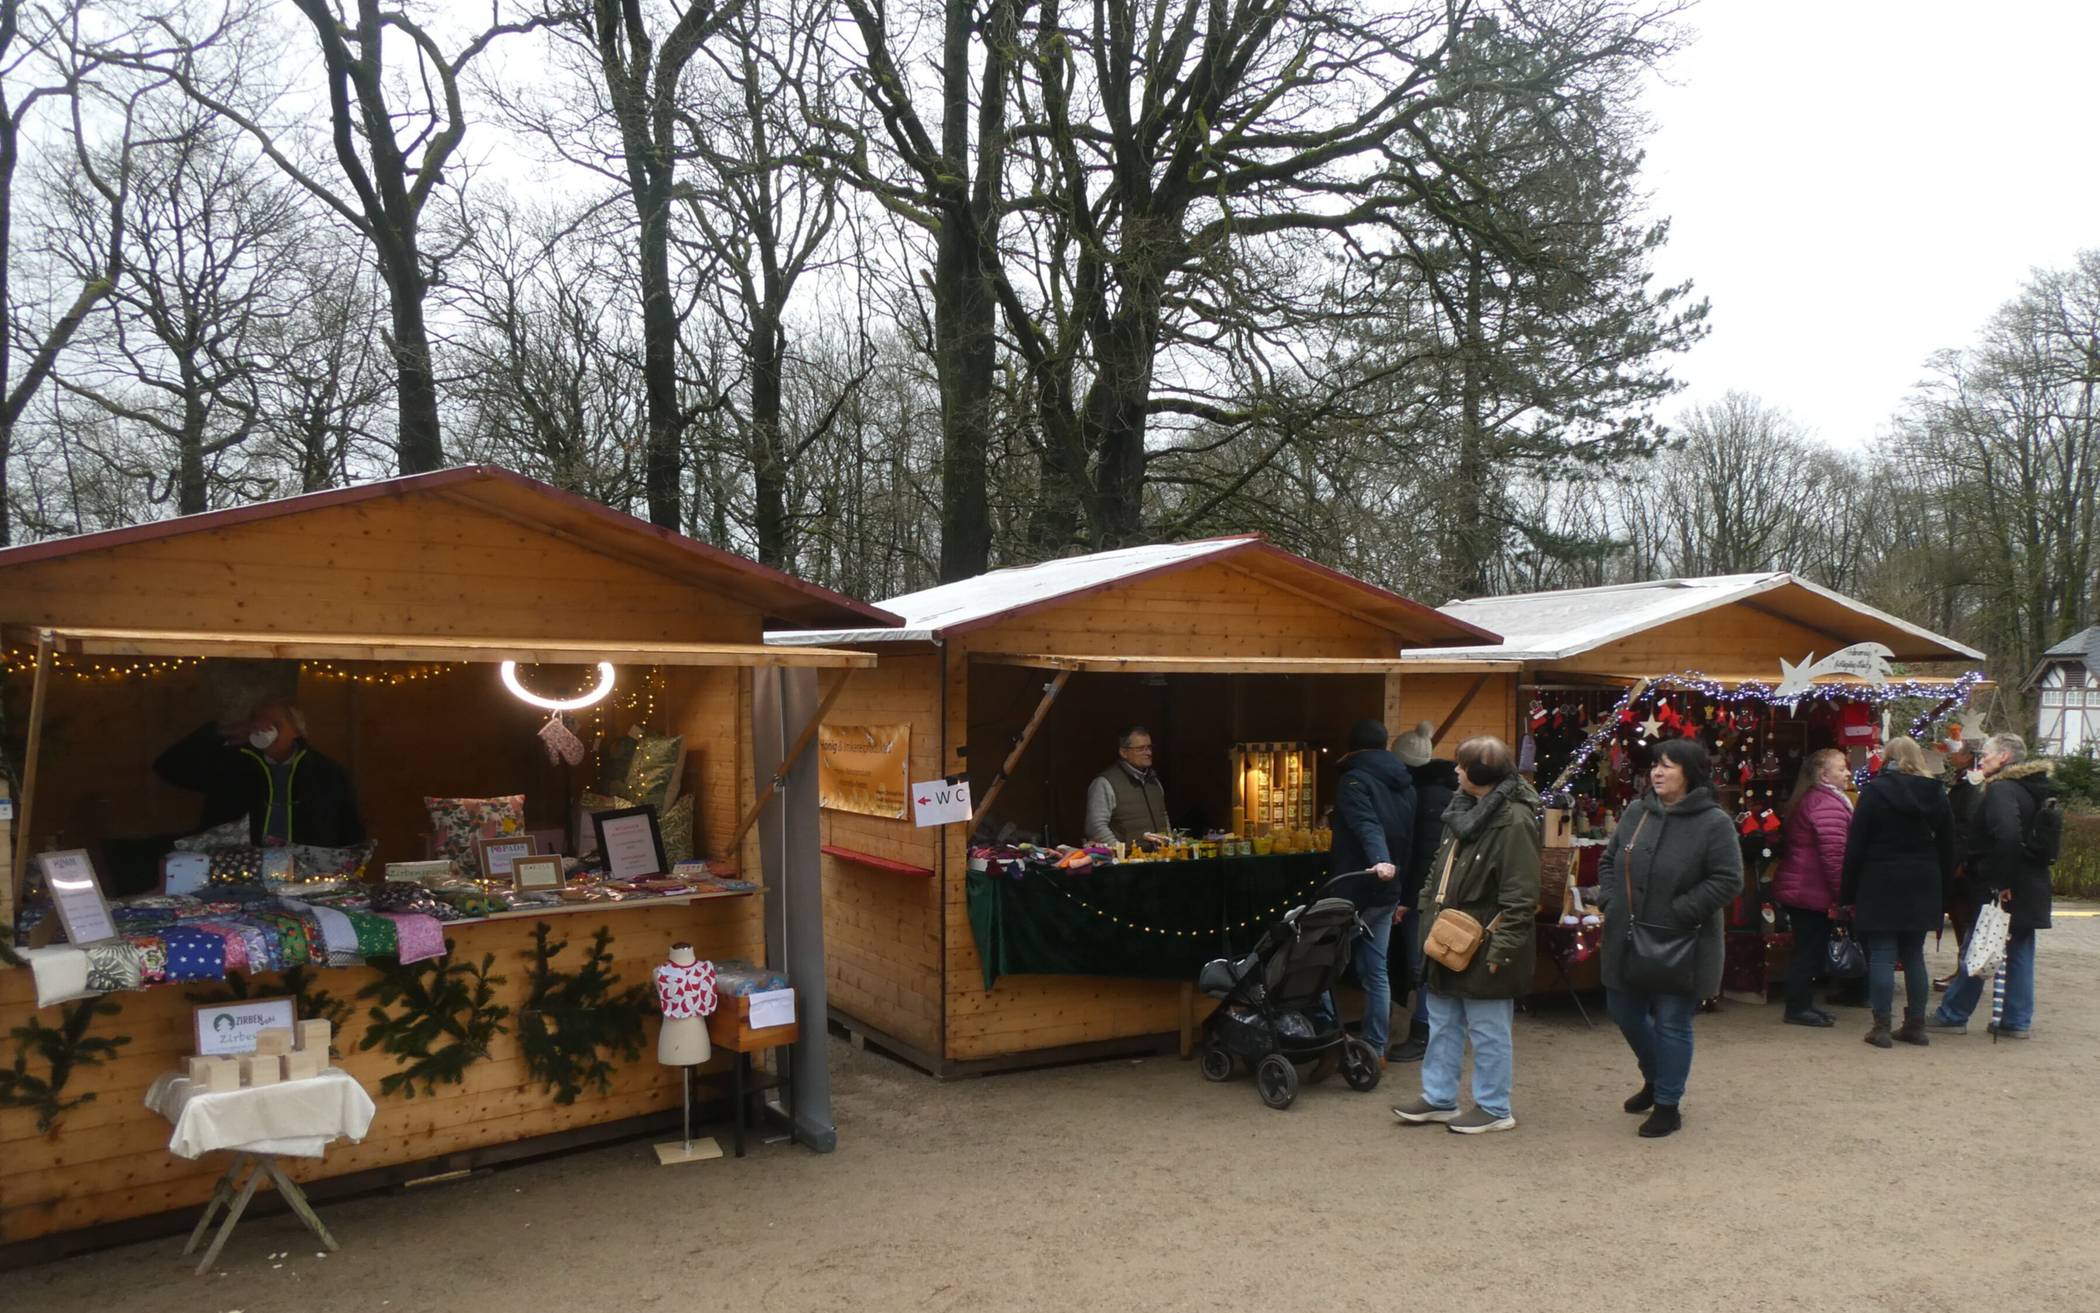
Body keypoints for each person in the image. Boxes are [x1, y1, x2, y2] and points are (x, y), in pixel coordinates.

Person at [1390, 737, 1538, 1134]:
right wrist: (1427, 908)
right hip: (1447, 934)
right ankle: (1439, 1098)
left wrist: (1502, 950)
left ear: (1480, 772)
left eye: (1461, 765)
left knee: (1488, 1030)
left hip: (1486, 939)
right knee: (1443, 1022)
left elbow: (1520, 895)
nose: (1455, 771)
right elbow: (1438, 869)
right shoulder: (1461, 809)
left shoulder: (1515, 821)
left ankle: (1494, 1107)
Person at [1596, 738, 1741, 1139]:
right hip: (1627, 934)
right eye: (1655, 765)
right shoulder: (1637, 812)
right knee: (1623, 1009)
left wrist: (1680, 911)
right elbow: (1609, 861)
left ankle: (1667, 1104)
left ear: (1689, 773)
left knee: (1673, 1022)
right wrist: (1611, 899)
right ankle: (1656, 1076)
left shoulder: (1714, 823)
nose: (1657, 773)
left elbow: (1728, 879)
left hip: (1684, 941)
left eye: (1668, 766)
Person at [1929, 733, 2058, 1039]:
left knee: (1979, 945)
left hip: (2002, 886)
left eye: (1986, 754)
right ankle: (2016, 1020)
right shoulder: (2036, 790)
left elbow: (2007, 835)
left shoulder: (2001, 790)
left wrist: (2001, 881)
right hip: (2032, 883)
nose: (1982, 759)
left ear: (2004, 757)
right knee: (2020, 951)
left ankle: (1953, 1014)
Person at [1839, 737, 1956, 1049]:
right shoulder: (1937, 793)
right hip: (1924, 879)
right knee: (1914, 953)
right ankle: (1916, 1024)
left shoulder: (1874, 792)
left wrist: (1847, 893)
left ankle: (1881, 1025)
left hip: (1879, 878)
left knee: (1882, 953)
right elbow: (1948, 846)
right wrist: (1944, 890)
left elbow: (1856, 845)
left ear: (1887, 758)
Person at [154, 698, 366, 847]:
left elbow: (349, 830)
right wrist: (220, 732)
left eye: (274, 724)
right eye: (257, 722)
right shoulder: (231, 763)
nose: (263, 729)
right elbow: (168, 767)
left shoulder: (325, 772)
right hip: (239, 870)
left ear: (296, 730)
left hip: (305, 874)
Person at [1324, 719, 1415, 1064]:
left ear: (1353, 747)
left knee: (1320, 966)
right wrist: (1399, 886)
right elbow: (1407, 839)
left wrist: (1379, 861)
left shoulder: (1353, 781)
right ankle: (1376, 1048)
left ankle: (1330, 1039)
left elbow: (1367, 825)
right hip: (1388, 892)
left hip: (1356, 889)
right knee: (1377, 971)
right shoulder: (1406, 784)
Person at [1771, 748, 1852, 1027]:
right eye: (1841, 768)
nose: (1847, 773)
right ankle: (1797, 1008)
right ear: (1823, 775)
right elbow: (1834, 856)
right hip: (1811, 889)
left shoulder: (1814, 799)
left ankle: (1803, 1004)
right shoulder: (1827, 804)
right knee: (1808, 951)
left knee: (1808, 949)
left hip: (1805, 887)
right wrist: (1843, 895)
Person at [1388, 719, 1453, 1062]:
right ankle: (1431, 1028)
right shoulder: (1443, 791)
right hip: (1441, 893)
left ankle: (1424, 1030)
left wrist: (1408, 899)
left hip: (1426, 897)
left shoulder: (1424, 798)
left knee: (1422, 964)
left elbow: (1425, 856)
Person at [1084, 725, 1169, 845]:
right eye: (1141, 749)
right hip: (1128, 856)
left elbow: (1163, 817)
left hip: (1162, 854)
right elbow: (1095, 827)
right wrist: (1120, 851)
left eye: (1149, 747)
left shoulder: (1154, 781)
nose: (1148, 752)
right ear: (1124, 752)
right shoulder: (1105, 783)